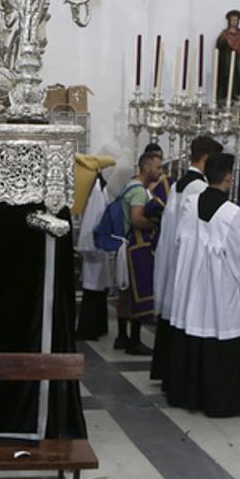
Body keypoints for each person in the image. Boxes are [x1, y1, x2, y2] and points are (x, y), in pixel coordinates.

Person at [166, 152, 240, 417]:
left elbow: (181, 239)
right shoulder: (231, 213)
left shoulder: (190, 203)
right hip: (218, 284)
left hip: (191, 280)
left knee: (192, 328)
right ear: (229, 176)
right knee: (218, 331)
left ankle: (187, 395)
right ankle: (221, 402)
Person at [150, 135, 223, 381]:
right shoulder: (200, 188)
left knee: (174, 311)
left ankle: (167, 371)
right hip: (189, 261)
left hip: (173, 258)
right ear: (206, 158)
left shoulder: (179, 184)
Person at [115, 150, 163, 355]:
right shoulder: (138, 191)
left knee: (125, 293)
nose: (160, 172)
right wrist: (152, 224)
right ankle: (133, 340)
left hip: (125, 245)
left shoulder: (130, 185)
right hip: (135, 246)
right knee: (137, 292)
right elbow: (136, 218)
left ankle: (122, 336)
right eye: (157, 167)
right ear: (146, 167)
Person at [75, 167, 113, 342]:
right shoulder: (98, 190)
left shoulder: (97, 191)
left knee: (94, 286)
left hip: (96, 247)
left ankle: (92, 328)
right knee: (95, 286)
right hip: (97, 248)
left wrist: (87, 246)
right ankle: (94, 327)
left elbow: (92, 221)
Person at [215, 9, 240, 103]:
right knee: (226, 76)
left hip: (237, 62)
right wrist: (224, 42)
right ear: (229, 21)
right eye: (232, 20)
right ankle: (224, 95)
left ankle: (237, 95)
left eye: (236, 20)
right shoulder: (225, 34)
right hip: (227, 62)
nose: (234, 22)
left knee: (239, 77)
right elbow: (219, 45)